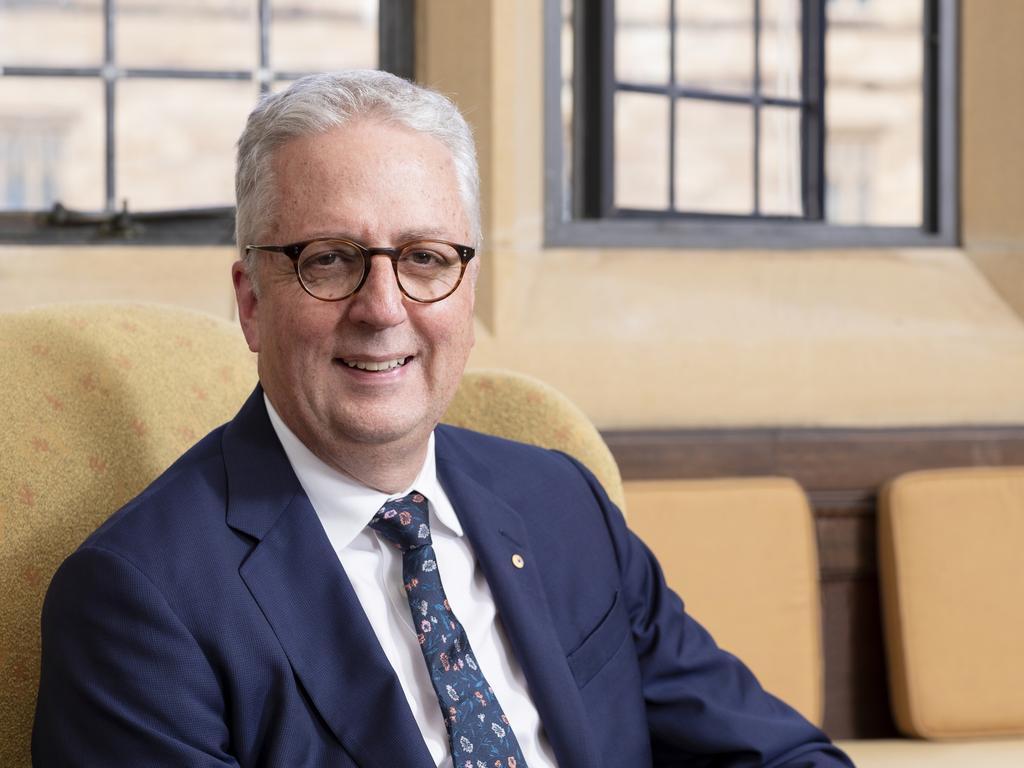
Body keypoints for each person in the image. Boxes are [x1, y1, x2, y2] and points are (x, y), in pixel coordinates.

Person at [33, 70, 853, 767]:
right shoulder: (139, 601)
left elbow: (777, 753)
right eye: (328, 261)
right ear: (252, 305)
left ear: (467, 290)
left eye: (425, 258)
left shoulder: (561, 501)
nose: (383, 308)